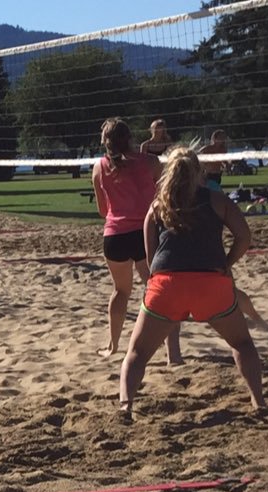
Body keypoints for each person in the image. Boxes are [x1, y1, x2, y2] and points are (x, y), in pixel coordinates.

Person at [118, 147, 268, 423]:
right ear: (199, 172)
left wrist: (164, 281)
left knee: (137, 354)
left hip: (167, 284)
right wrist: (227, 263)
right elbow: (244, 237)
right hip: (212, 284)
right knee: (242, 344)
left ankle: (125, 407)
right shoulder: (217, 200)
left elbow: (152, 260)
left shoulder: (157, 206)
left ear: (168, 173)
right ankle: (258, 402)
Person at [92, 118, 164, 358]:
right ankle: (168, 350)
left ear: (105, 141)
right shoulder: (151, 163)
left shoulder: (99, 167)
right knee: (156, 290)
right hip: (145, 233)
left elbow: (103, 211)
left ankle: (113, 346)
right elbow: (166, 197)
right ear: (130, 137)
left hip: (115, 236)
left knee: (120, 292)